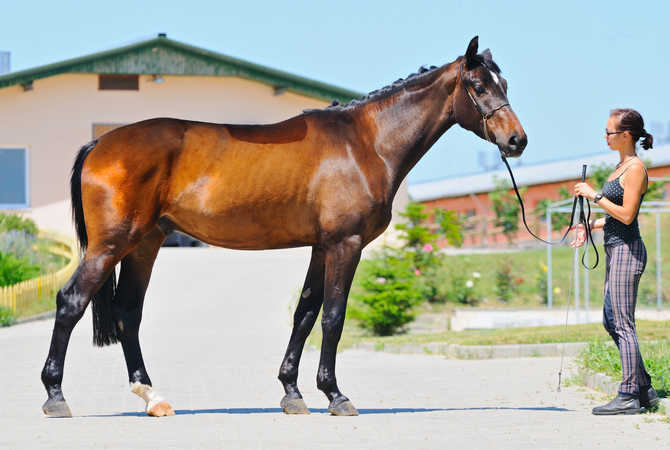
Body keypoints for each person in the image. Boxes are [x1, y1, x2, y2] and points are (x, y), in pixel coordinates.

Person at [571, 108, 658, 415]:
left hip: (628, 250)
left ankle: (629, 395)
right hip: (614, 247)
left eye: (609, 132)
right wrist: (589, 226)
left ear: (624, 136)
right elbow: (613, 216)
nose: (604, 136)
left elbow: (627, 215)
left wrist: (594, 196)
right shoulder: (620, 166)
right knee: (611, 319)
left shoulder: (634, 168)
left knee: (622, 323)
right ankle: (644, 388)